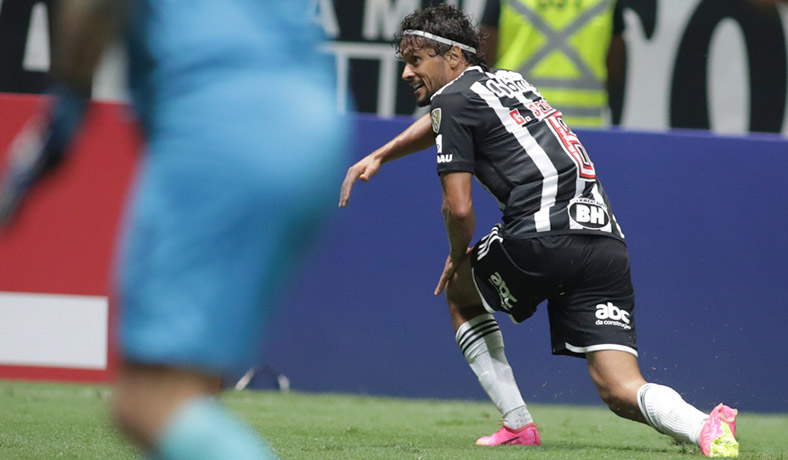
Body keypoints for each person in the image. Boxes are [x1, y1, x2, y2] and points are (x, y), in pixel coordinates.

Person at [339, 4, 739, 457]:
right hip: (605, 244)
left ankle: (518, 424)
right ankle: (705, 426)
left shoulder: (449, 102)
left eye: (417, 60)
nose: (408, 73)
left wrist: (458, 252)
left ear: (453, 57)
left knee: (461, 292)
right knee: (619, 388)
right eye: (405, 62)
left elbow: (460, 207)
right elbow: (446, 120)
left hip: (541, 237)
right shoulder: (513, 81)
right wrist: (383, 153)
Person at [0, 1, 348, 459]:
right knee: (190, 390)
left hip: (220, 122)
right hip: (317, 119)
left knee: (149, 400)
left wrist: (64, 116)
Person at [479, 0, 627, 127]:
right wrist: (616, 126)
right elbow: (616, 68)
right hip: (582, 131)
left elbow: (483, 57)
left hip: (516, 124)